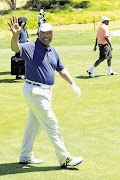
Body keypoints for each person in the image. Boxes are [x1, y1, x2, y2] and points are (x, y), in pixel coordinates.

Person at [7, 16, 83, 168]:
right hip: (34, 91)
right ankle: (64, 158)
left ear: (52, 34)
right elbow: (16, 48)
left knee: (32, 126)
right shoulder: (30, 47)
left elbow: (60, 69)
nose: (46, 36)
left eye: (49, 33)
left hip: (46, 92)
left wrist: (73, 83)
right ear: (38, 34)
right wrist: (15, 35)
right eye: (43, 33)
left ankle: (25, 156)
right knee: (51, 124)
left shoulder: (53, 50)